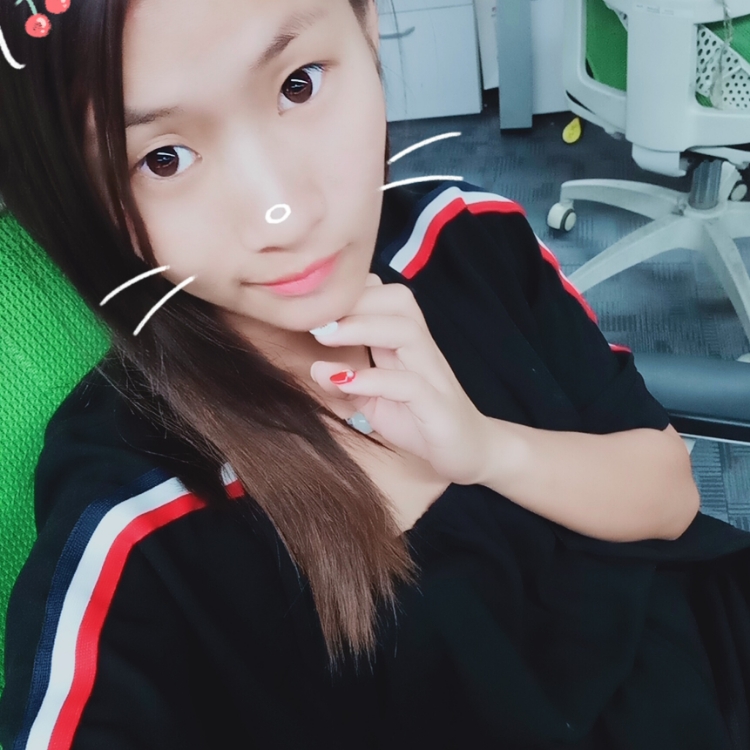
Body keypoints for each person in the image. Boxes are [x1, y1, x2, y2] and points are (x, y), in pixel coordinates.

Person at [1, 0, 750, 748]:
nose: (285, 214)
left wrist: (487, 449)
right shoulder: (138, 508)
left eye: (298, 84)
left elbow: (670, 499)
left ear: (367, 34)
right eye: (164, 159)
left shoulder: (466, 236)